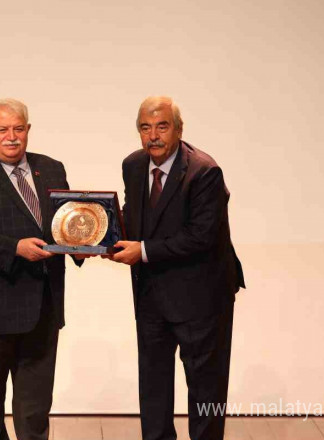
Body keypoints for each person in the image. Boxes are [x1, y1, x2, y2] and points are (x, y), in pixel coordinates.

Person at [108, 96, 245, 440]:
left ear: (179, 129)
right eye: (145, 127)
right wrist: (97, 234)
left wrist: (142, 251)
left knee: (205, 388)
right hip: (151, 293)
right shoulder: (133, 165)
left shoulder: (204, 171)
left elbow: (201, 237)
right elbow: (135, 219)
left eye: (162, 126)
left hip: (202, 296)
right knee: (153, 384)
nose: (153, 135)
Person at [0, 98, 82, 440]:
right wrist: (16, 248)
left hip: (43, 308)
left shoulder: (51, 168)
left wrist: (87, 241)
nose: (12, 137)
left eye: (18, 129)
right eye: (3, 130)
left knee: (35, 411)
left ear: (28, 130)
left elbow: (66, 223)